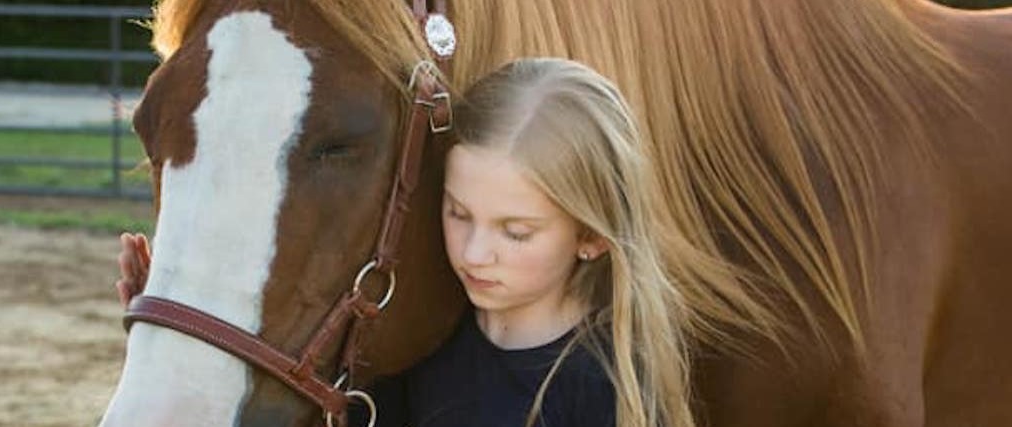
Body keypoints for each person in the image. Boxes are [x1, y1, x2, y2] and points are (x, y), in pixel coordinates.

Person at [115, 58, 696, 427]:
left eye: (515, 232)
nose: (474, 252)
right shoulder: (421, 344)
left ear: (591, 235)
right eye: (458, 213)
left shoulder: (610, 391)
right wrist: (177, 338)